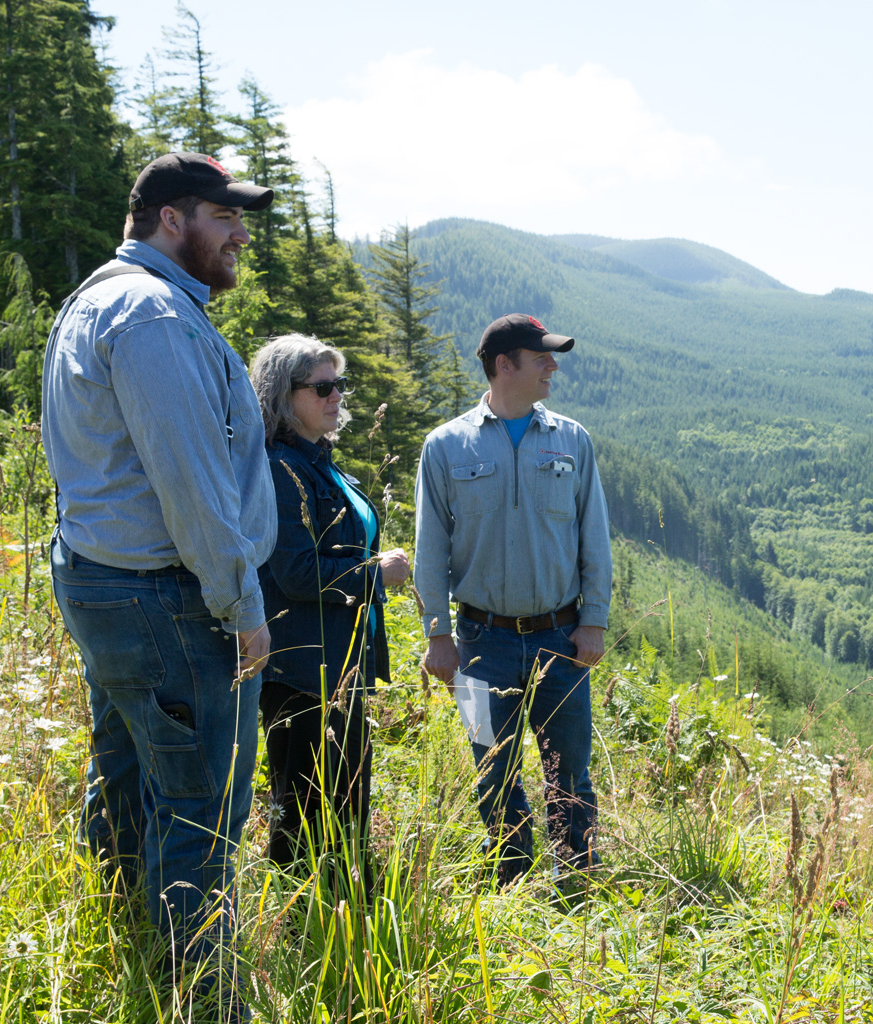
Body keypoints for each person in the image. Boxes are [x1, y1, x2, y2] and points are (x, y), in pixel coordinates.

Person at [42, 152, 277, 1004]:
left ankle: (130, 958)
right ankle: (204, 1001)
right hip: (172, 599)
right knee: (201, 811)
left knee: (130, 778)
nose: (239, 234)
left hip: (109, 584)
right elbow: (191, 478)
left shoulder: (98, 301)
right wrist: (242, 603)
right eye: (224, 217)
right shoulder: (150, 315)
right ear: (171, 220)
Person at [413, 313, 612, 885]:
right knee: (491, 771)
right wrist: (438, 635)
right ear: (505, 365)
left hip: (561, 637)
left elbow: (593, 538)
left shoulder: (572, 440)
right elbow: (431, 550)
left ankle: (576, 878)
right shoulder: (445, 446)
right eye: (541, 357)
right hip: (478, 642)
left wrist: (592, 621)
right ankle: (514, 883)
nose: (553, 366)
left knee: (570, 772)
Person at [249, 335, 409, 901]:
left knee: (343, 801)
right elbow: (293, 572)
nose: (337, 396)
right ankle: (303, 927)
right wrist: (375, 573)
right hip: (301, 670)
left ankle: (338, 918)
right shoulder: (279, 467)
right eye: (322, 387)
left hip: (336, 666)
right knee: (305, 805)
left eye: (339, 385)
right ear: (282, 394)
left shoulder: (316, 463)